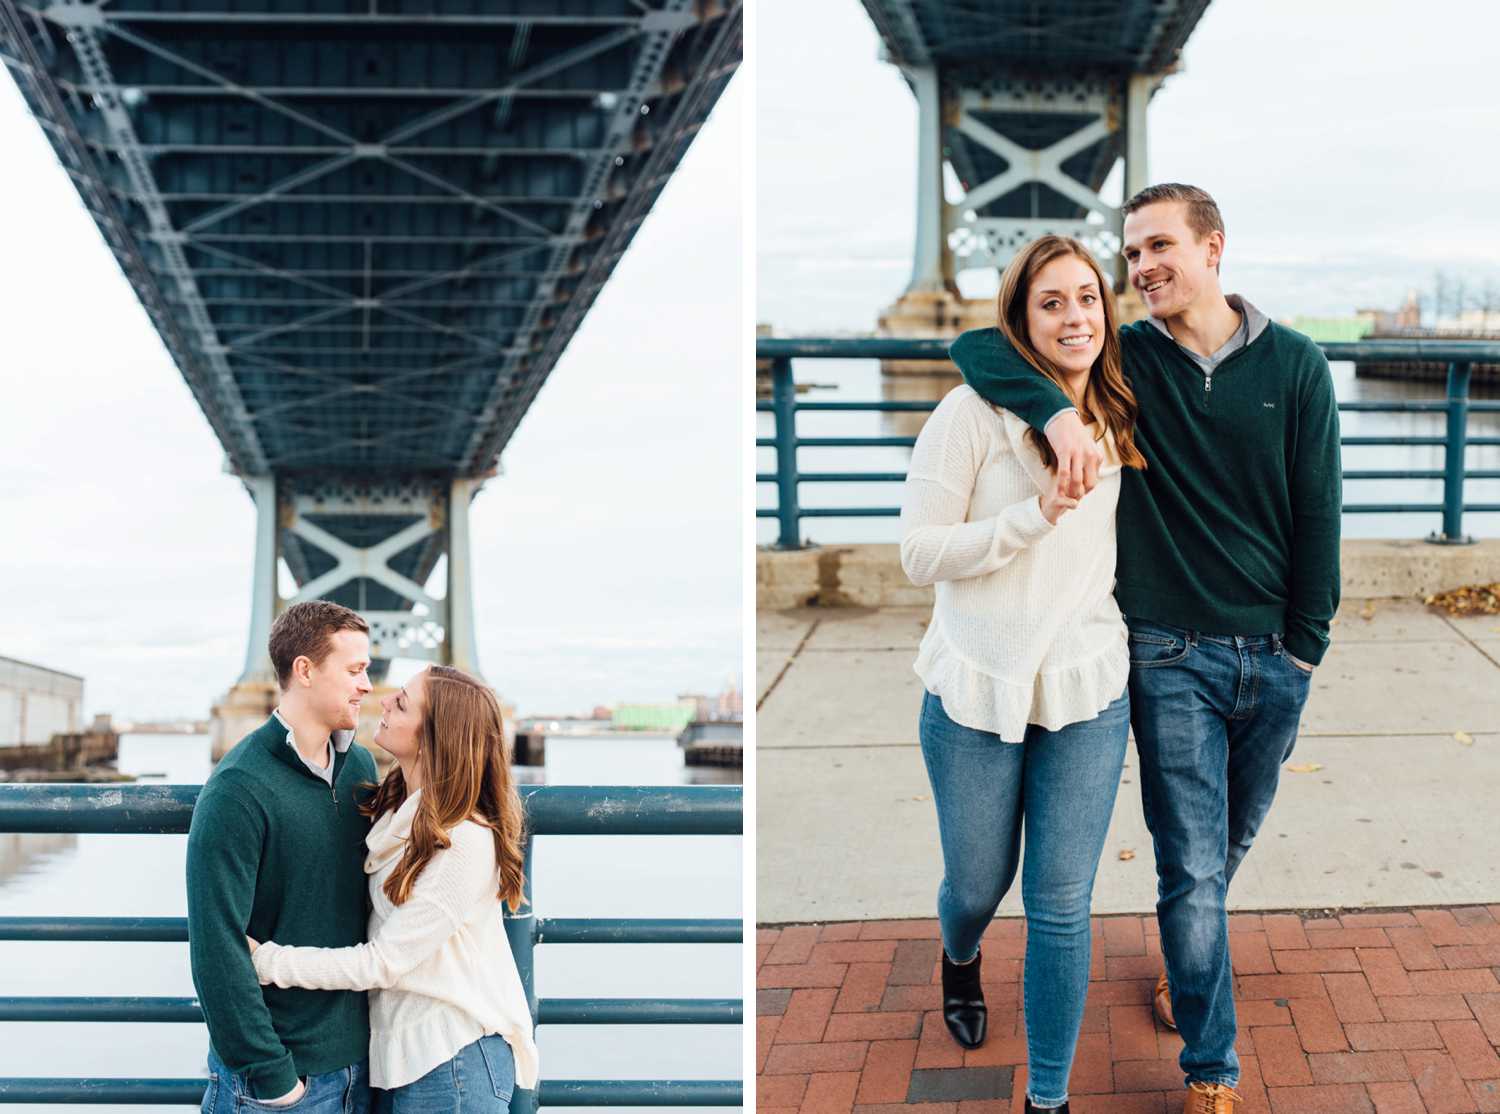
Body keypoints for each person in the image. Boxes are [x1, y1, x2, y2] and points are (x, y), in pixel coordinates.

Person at [949, 183, 1341, 1114]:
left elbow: (1318, 508)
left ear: (1214, 249)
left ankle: (1186, 955)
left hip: (1274, 652)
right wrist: (1051, 415)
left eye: (1160, 247)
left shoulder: (1297, 365)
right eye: (1131, 256)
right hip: (1165, 651)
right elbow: (977, 346)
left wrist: (1306, 648)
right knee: (1192, 865)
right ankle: (1213, 1072)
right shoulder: (1129, 364)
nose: (1142, 268)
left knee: (1228, 842)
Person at [901, 234, 1148, 1114]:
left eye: (1088, 297)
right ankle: (960, 954)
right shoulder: (970, 413)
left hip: (1085, 684)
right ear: (1022, 317)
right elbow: (918, 554)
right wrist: (1033, 517)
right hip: (976, 685)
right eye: (1051, 302)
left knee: (1059, 906)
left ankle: (1049, 1099)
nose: (1075, 316)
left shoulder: (1124, 401)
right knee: (975, 886)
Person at [246, 664, 539, 1114]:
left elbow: (383, 963)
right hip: (406, 1059)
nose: (382, 700)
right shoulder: (398, 811)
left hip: (452, 1063)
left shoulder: (462, 842)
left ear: (435, 738)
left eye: (401, 702)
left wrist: (266, 960)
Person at [187, 600, 379, 1112]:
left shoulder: (360, 767)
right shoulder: (238, 788)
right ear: (305, 670)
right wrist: (272, 1078)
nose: (367, 686)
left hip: (361, 1068)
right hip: (281, 1083)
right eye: (356, 670)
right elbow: (216, 946)